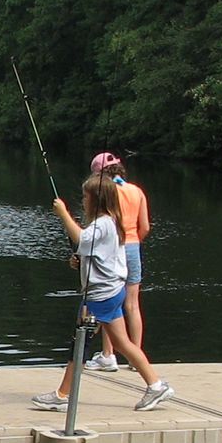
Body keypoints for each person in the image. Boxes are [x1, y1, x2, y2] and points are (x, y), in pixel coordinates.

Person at [34, 173, 173, 412]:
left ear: (96, 200)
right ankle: (156, 385)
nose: (83, 201)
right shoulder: (110, 222)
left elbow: (81, 240)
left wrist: (63, 214)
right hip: (111, 291)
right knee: (122, 343)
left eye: (85, 197)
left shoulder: (103, 224)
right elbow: (93, 251)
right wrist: (79, 261)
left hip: (100, 296)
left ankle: (62, 395)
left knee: (79, 344)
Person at [87, 152, 150, 371]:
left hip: (114, 250)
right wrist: (133, 243)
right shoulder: (136, 191)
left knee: (110, 301)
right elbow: (146, 227)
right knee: (133, 305)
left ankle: (108, 355)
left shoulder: (108, 192)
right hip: (134, 247)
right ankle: (136, 357)